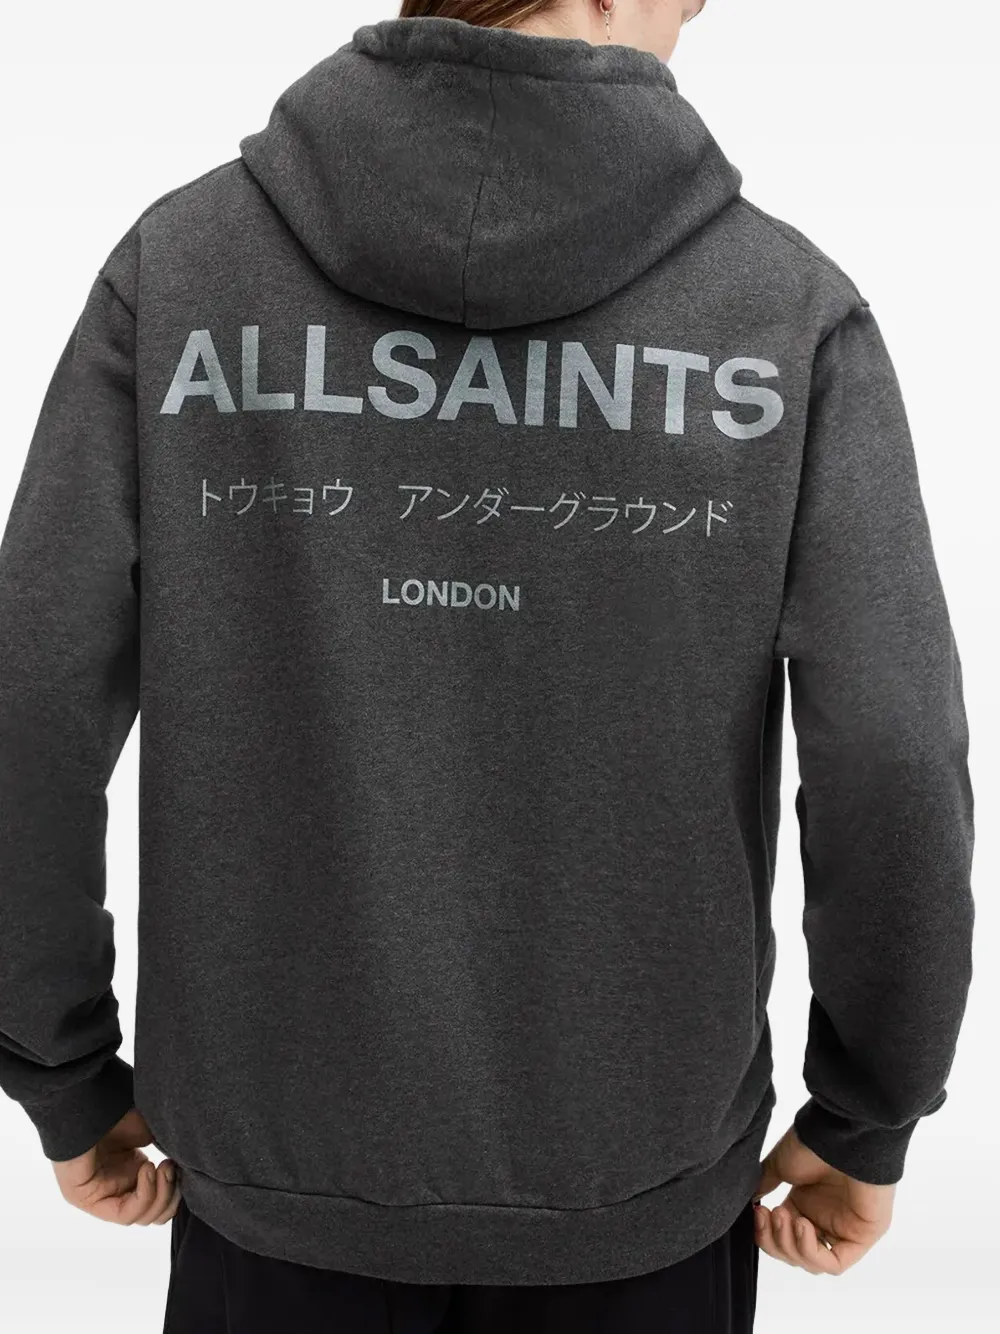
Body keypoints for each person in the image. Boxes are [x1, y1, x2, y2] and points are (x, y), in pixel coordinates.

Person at [0, 1, 975, 1331]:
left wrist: (62, 1070)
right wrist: (866, 1113)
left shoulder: (182, 276)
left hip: (274, 1186)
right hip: (636, 1196)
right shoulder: (785, 315)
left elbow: (29, 708)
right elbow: (894, 755)